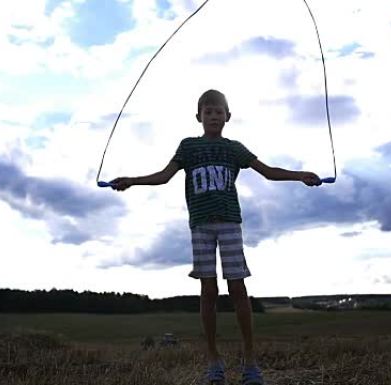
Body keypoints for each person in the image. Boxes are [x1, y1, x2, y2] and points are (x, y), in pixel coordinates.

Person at [110, 89, 322, 384]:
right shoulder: (188, 147)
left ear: (228, 117)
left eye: (218, 111)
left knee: (237, 289)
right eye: (208, 111)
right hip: (200, 225)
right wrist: (131, 180)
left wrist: (300, 175)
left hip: (229, 224)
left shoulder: (234, 149)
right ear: (199, 117)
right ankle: (214, 361)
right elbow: (163, 176)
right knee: (208, 291)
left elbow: (269, 172)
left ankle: (250, 362)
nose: (213, 116)